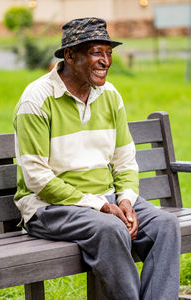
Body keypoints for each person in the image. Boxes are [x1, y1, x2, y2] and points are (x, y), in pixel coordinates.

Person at [13, 17, 181, 300]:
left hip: (106, 201)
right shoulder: (36, 99)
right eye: (96, 52)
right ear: (70, 55)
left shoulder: (110, 95)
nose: (105, 61)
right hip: (49, 207)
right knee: (112, 228)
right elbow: (37, 178)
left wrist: (125, 199)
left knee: (166, 226)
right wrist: (101, 205)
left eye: (109, 52)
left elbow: (125, 160)